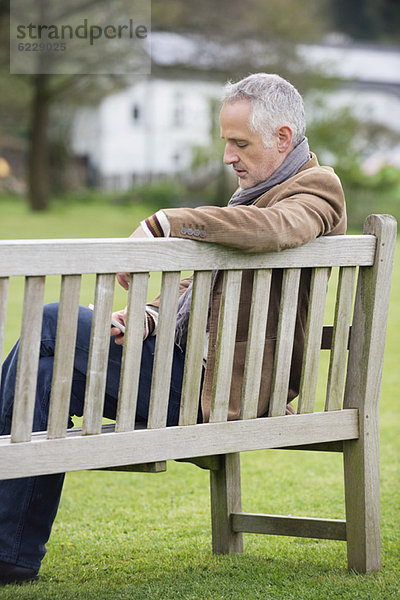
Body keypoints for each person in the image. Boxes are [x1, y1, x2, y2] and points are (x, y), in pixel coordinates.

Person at [0, 73, 346, 584]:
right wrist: (152, 315)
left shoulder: (313, 191)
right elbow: (208, 288)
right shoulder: (254, 196)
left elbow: (278, 231)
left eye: (240, 142)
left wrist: (170, 221)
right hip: (187, 375)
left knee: (54, 321)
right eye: (226, 141)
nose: (228, 155)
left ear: (283, 137)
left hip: (223, 391)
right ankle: (11, 559)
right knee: (46, 375)